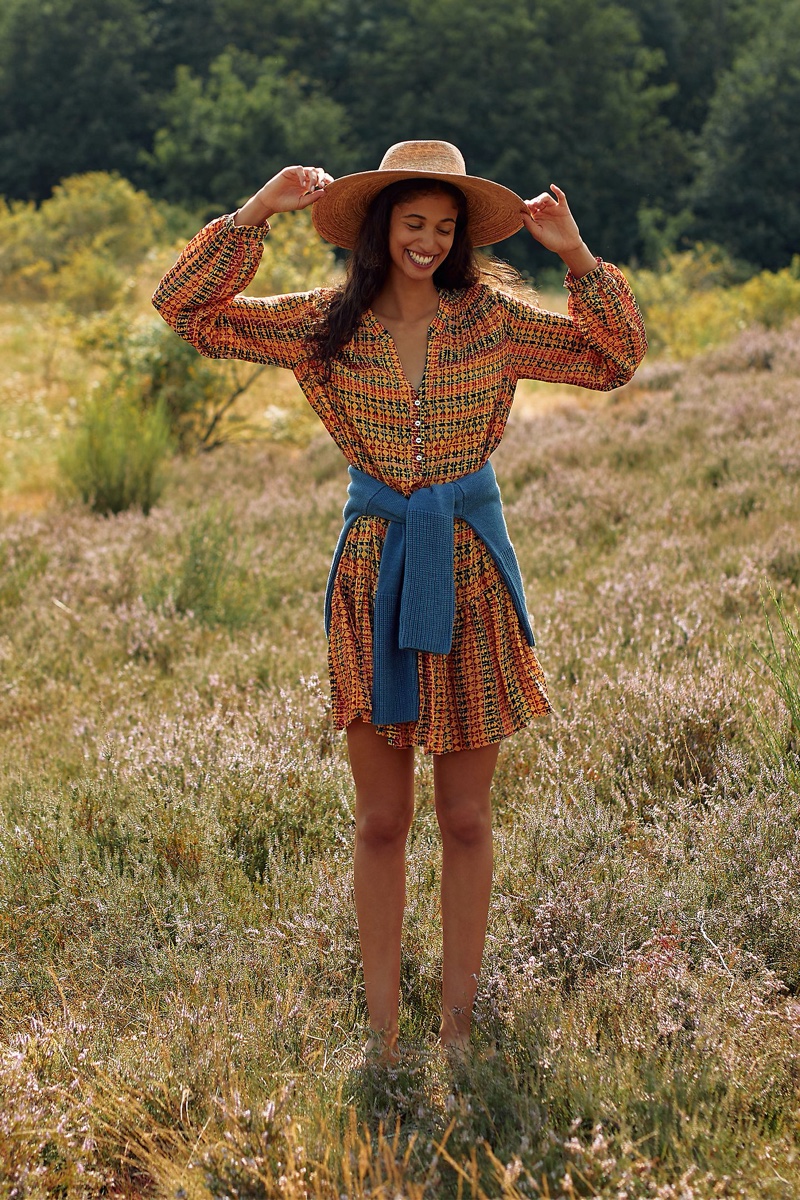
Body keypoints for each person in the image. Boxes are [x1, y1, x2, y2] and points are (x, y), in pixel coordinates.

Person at [153, 140, 646, 1061]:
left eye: (445, 227)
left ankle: (458, 1031)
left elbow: (613, 358)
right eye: (414, 223)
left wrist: (575, 256)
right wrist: (256, 210)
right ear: (380, 228)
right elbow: (185, 308)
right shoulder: (322, 325)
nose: (428, 240)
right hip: (371, 577)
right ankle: (382, 1036)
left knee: (466, 819)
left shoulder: (491, 320)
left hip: (470, 576)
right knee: (382, 821)